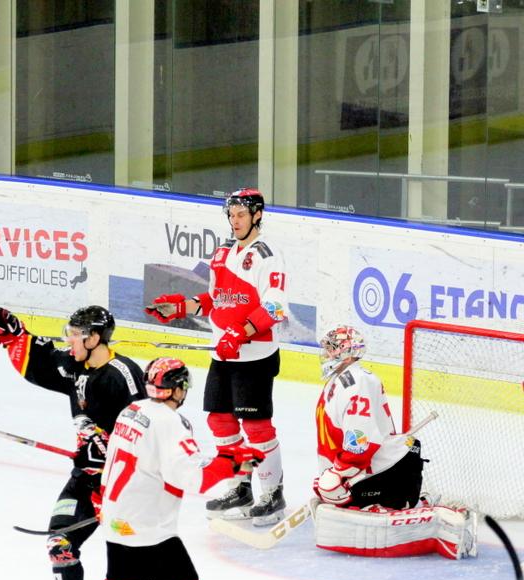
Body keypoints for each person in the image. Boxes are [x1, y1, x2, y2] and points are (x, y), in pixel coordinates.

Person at [77, 358, 263, 580]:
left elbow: (160, 459)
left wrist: (225, 460)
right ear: (178, 389)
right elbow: (191, 478)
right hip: (149, 526)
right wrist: (230, 465)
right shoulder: (171, 422)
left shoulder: (131, 411)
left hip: (117, 517)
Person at [0, 305, 147, 580]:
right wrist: (15, 334)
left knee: (142, 556)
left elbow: (147, 432)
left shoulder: (123, 375)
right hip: (85, 478)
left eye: (75, 335)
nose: (69, 340)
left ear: (94, 338)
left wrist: (113, 462)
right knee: (60, 543)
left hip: (124, 484)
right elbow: (43, 361)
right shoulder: (75, 366)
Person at [145, 188, 288, 526]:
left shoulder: (268, 256)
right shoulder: (223, 252)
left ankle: (273, 493)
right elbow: (214, 299)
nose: (235, 221)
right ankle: (240, 487)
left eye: (242, 215)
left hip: (255, 355)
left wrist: (241, 332)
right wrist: (181, 307)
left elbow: (275, 306)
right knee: (220, 420)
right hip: (223, 353)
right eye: (231, 215)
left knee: (256, 426)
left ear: (257, 215)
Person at [312, 325, 477, 560]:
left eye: (331, 349)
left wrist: (339, 474)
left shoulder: (357, 383)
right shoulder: (340, 380)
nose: (326, 354)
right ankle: (404, 502)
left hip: (386, 472)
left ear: (346, 353)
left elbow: (361, 442)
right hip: (370, 469)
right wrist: (331, 473)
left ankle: (432, 512)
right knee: (334, 496)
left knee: (345, 500)